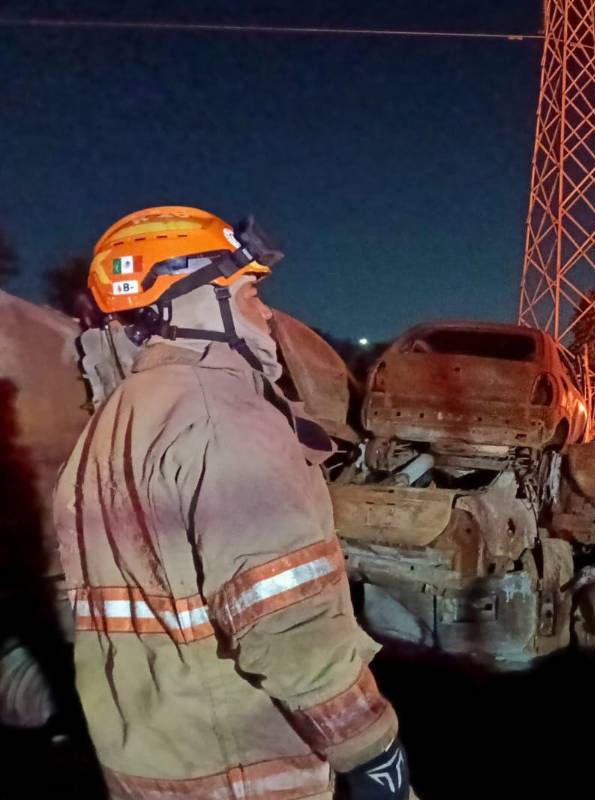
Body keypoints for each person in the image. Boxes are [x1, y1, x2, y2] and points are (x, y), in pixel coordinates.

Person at [53, 207, 411, 799]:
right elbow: (289, 625)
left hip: (150, 764)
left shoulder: (113, 421)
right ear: (183, 304)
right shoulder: (223, 417)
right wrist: (374, 755)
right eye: (246, 294)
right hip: (242, 769)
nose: (267, 313)